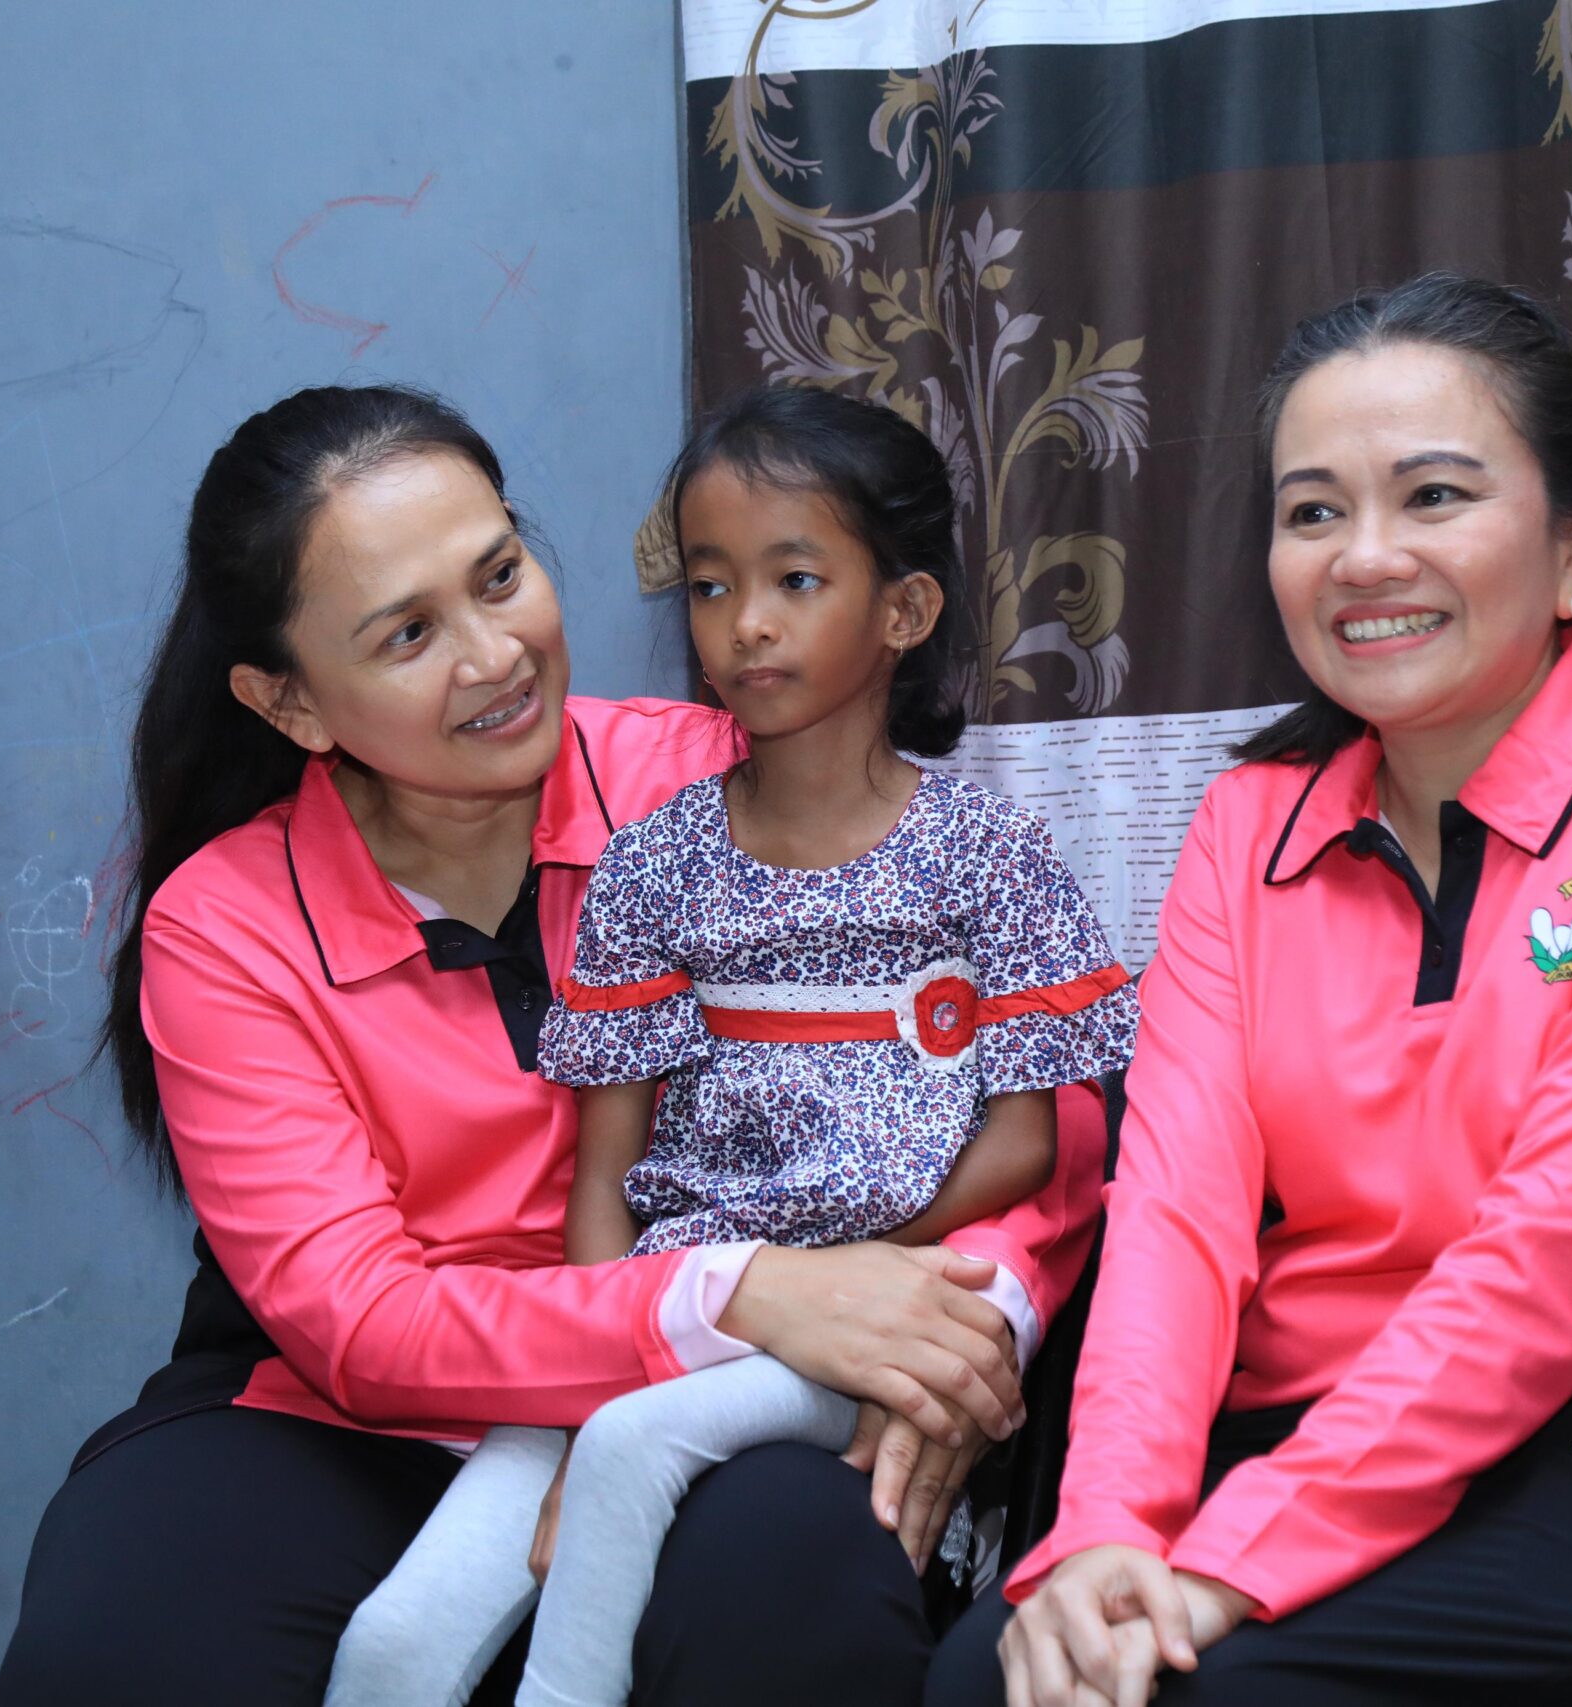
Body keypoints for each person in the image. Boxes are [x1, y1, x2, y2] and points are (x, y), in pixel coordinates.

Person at [0, 384, 1108, 1707]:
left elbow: (1052, 1116)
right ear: (290, 704)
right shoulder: (223, 923)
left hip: (745, 1373)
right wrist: (727, 1293)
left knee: (791, 1583)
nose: (494, 656)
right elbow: (362, 1323)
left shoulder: (735, 784)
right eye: (410, 633)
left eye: (500, 576)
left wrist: (955, 1330)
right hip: (350, 1414)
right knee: (120, 1651)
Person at [929, 273, 1572, 1706]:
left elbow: (1544, 1276)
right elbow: (1175, 1223)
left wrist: (1229, 1565)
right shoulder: (1247, 827)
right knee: (989, 1681)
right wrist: (1106, 1528)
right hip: (1293, 1435)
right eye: (1314, 512)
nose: (1365, 557)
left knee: (1196, 1696)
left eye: (1433, 496)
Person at [327, 382, 1139, 1707]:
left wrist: (825, 1275)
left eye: (795, 580)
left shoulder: (990, 858)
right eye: (711, 586)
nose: (745, 622)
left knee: (632, 1454)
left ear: (904, 611)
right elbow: (607, 1174)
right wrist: (622, 1341)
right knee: (396, 1642)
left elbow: (1025, 1145)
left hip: (904, 1298)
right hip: (679, 1301)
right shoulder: (654, 866)